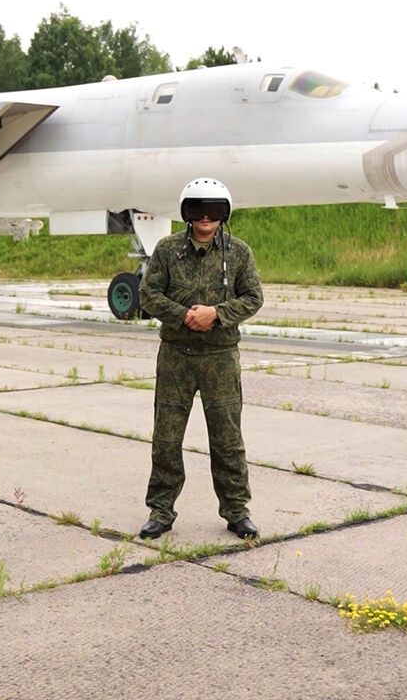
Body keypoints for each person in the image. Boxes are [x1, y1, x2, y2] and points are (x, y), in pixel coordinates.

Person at [137, 177, 264, 540]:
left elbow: (253, 297)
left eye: (214, 211)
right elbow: (149, 294)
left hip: (220, 358)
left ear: (224, 214)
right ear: (186, 213)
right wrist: (183, 316)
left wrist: (216, 314)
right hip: (176, 356)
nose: (205, 217)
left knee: (227, 439)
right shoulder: (166, 250)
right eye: (197, 210)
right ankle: (160, 511)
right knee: (166, 438)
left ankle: (237, 511)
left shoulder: (239, 252)